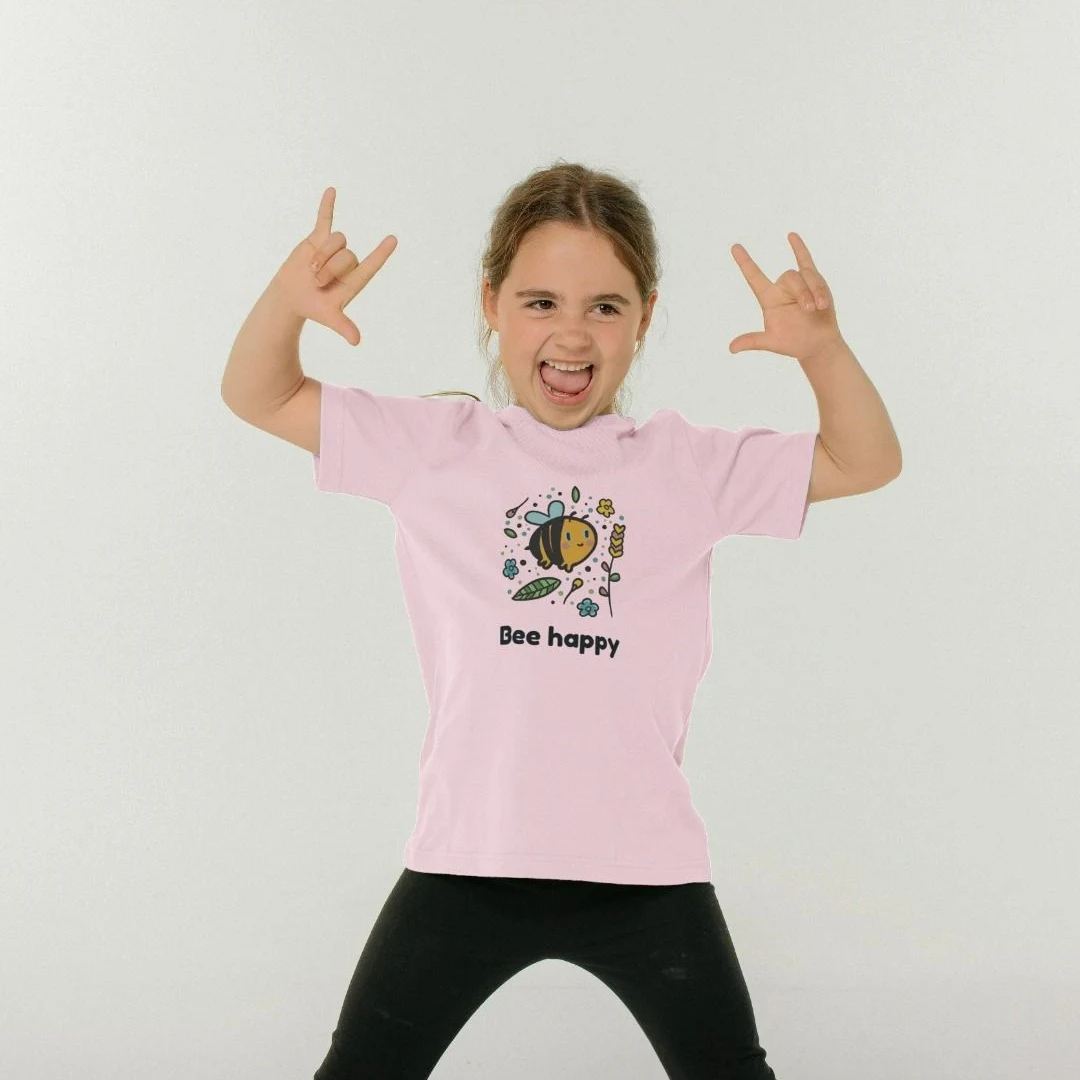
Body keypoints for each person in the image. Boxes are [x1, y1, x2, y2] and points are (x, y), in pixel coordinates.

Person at [221, 160, 902, 1079]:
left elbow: (866, 460)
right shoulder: (434, 447)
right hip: (467, 864)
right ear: (492, 305)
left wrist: (822, 351)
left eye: (605, 307)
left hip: (645, 874)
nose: (572, 335)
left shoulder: (686, 466)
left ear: (646, 317)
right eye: (540, 303)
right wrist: (285, 303)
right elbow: (258, 394)